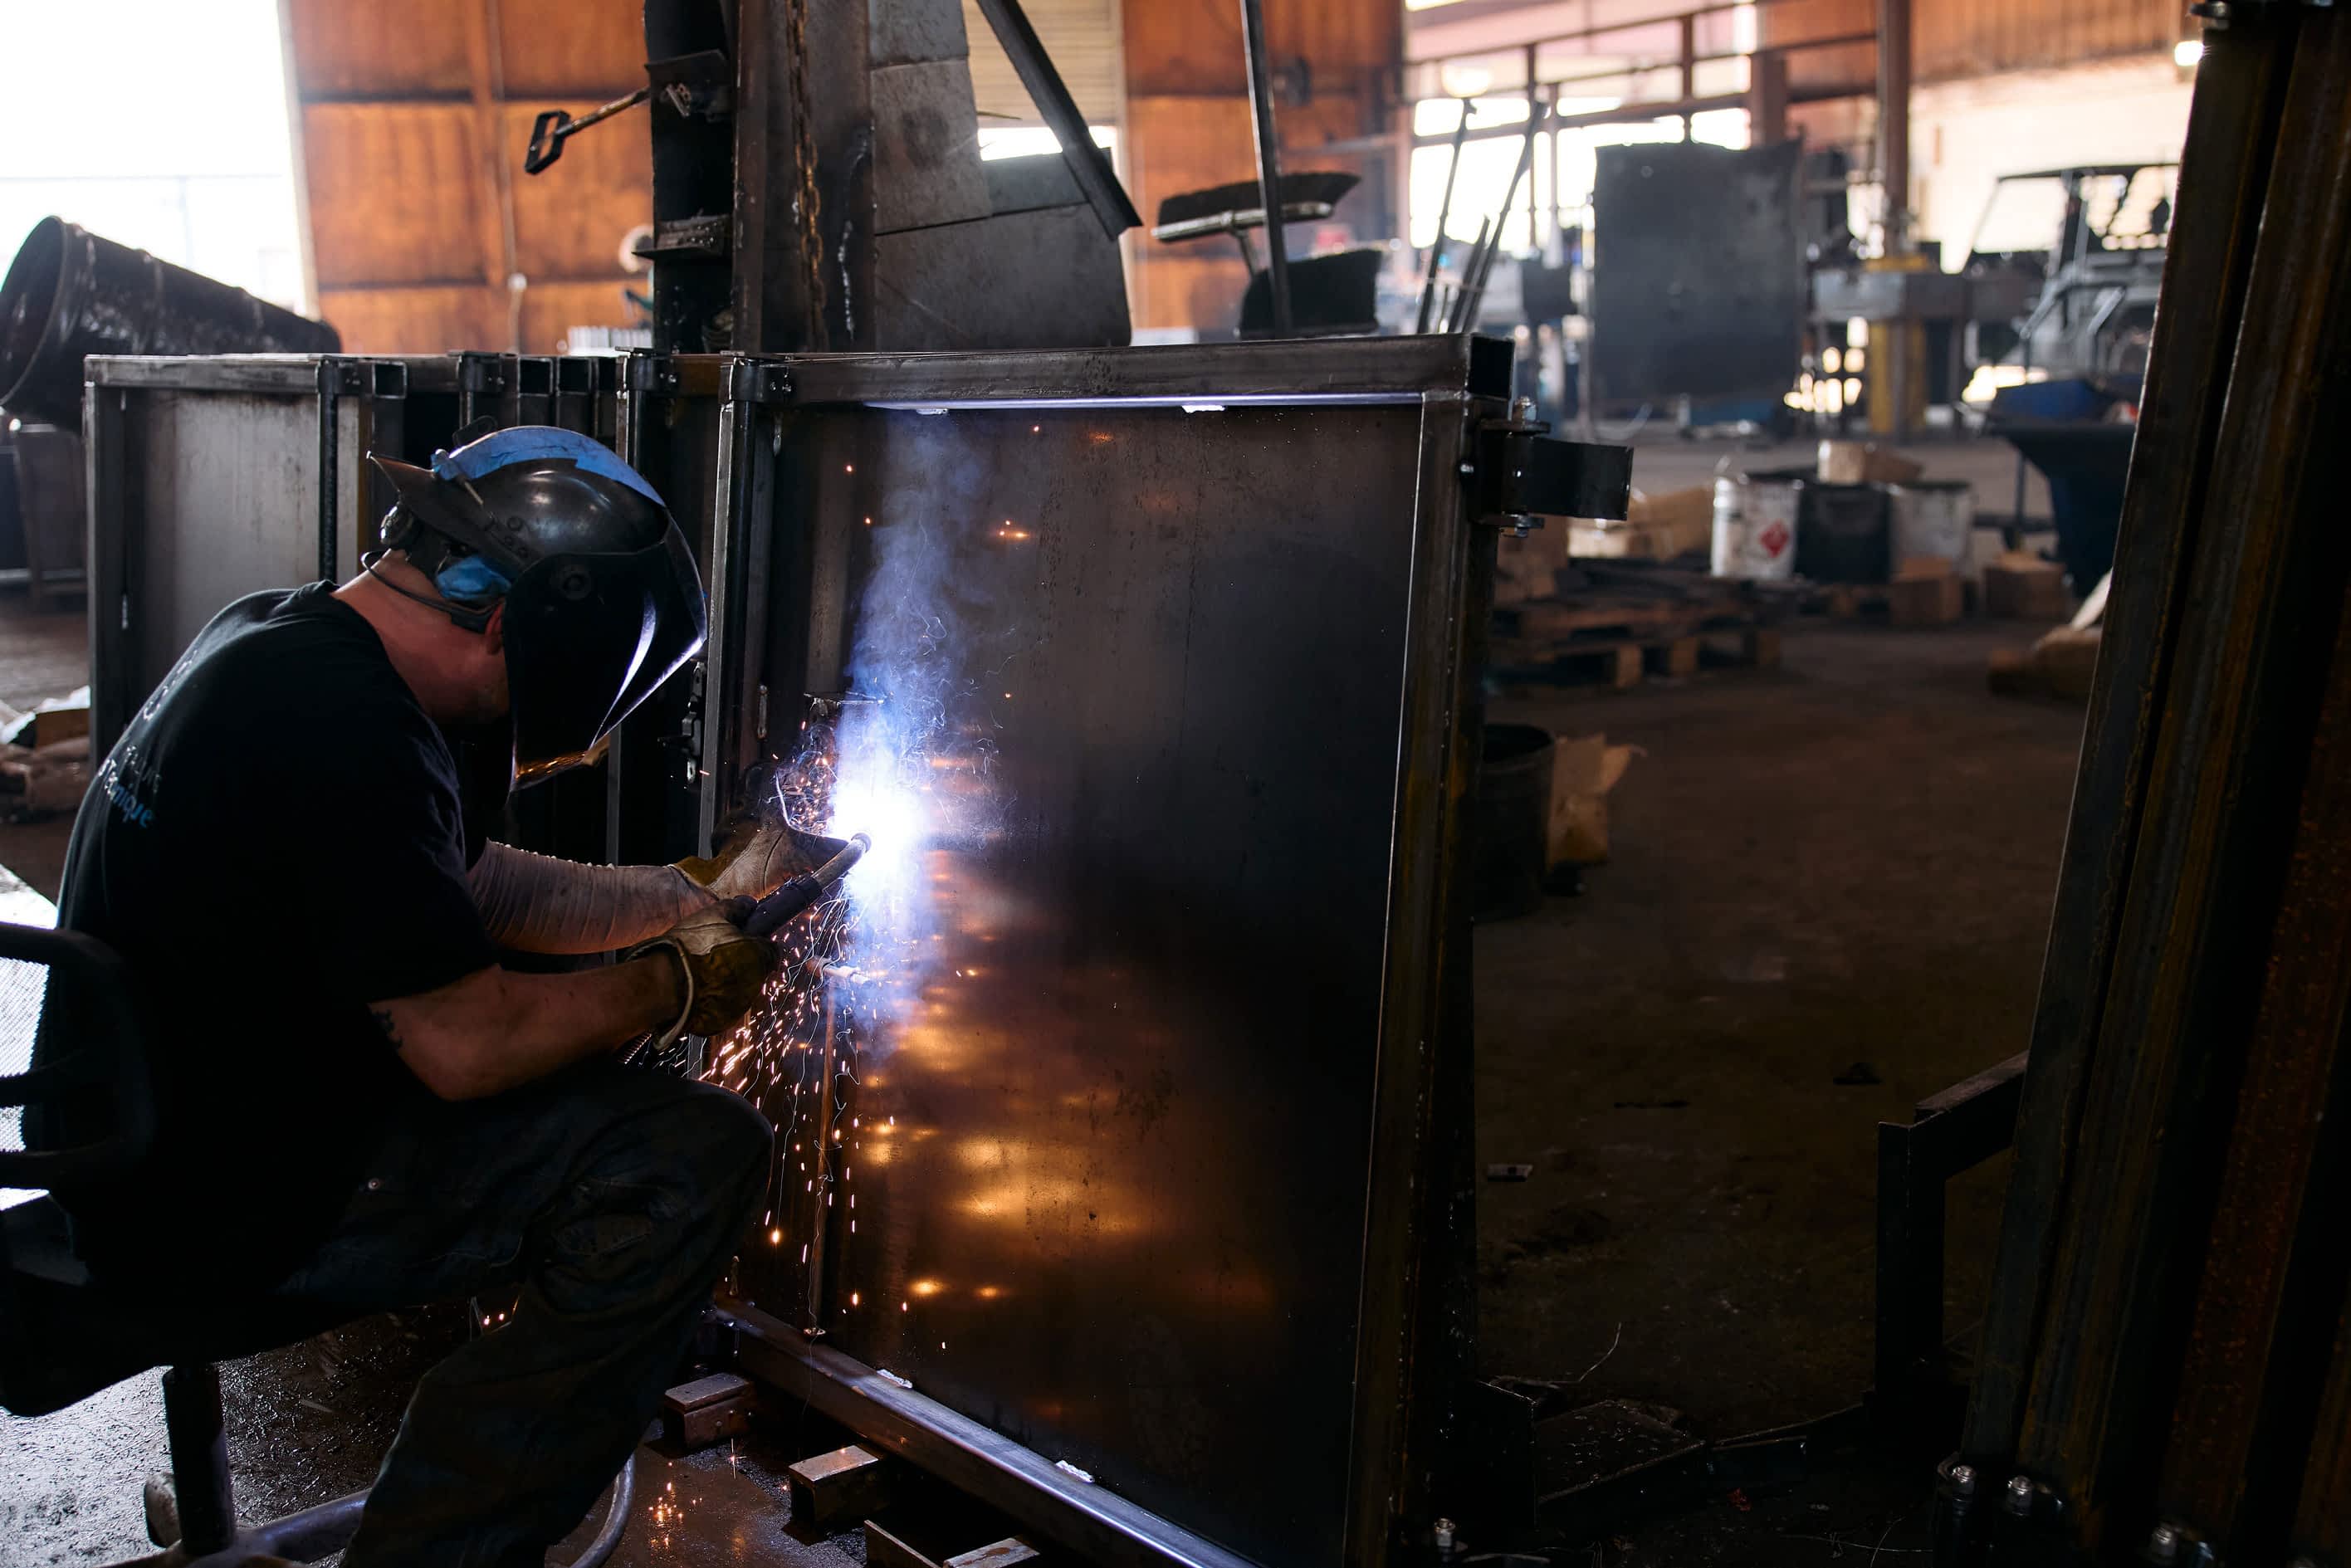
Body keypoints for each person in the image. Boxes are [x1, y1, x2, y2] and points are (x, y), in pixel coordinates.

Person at [47, 425, 794, 1565]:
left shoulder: (274, 634)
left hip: (130, 1141)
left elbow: (459, 879)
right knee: (694, 1154)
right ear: (512, 625)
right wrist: (670, 987)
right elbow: (467, 1046)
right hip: (218, 1208)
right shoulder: (353, 730)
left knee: (588, 1066)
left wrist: (682, 895)